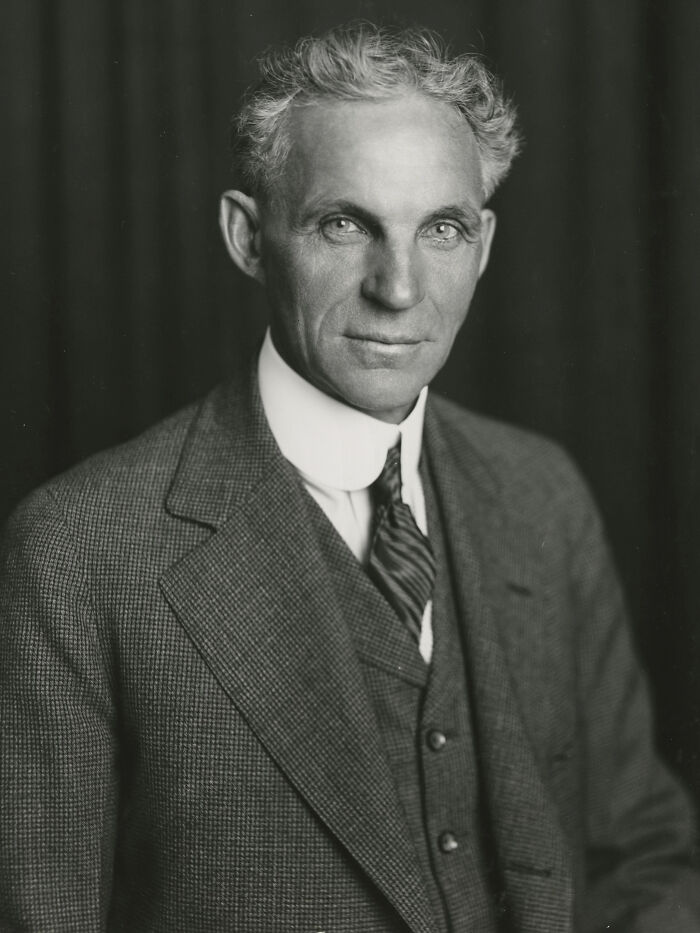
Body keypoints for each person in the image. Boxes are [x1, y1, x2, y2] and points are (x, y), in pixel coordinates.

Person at [0, 22, 698, 933]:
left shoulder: (541, 494)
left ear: (483, 244)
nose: (401, 288)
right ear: (249, 238)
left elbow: (638, 854)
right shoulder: (79, 550)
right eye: (344, 224)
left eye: (440, 229)